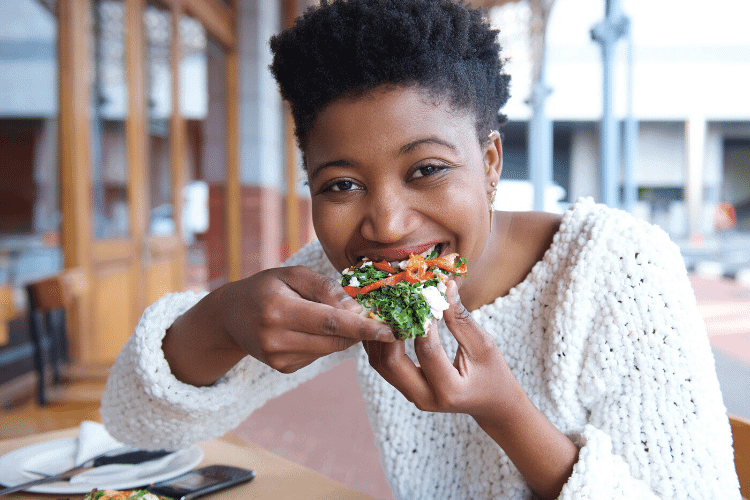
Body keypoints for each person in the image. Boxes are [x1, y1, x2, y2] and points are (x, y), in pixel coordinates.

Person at [100, 1, 741, 499]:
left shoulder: (617, 268)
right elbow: (139, 425)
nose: (386, 224)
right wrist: (219, 321)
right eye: (341, 184)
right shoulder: (349, 280)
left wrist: (505, 411)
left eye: (426, 169)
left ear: (489, 162)